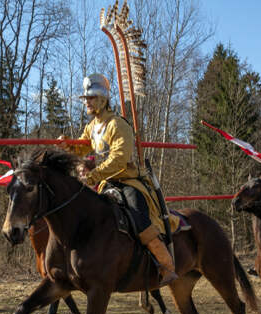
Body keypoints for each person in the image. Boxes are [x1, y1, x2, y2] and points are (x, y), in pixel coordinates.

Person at [59, 73, 178, 285]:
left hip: (128, 182)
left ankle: (166, 264)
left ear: (102, 99)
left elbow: (119, 159)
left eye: (91, 98)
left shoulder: (118, 124)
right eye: (86, 99)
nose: (86, 102)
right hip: (106, 184)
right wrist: (68, 145)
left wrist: (94, 175)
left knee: (138, 216)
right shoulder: (92, 127)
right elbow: (83, 146)